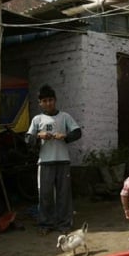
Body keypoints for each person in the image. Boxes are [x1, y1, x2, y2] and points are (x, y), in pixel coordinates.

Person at [25, 84, 82, 235]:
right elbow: (27, 139)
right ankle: (45, 224)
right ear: (40, 103)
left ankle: (64, 224)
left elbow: (77, 132)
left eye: (50, 100)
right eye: (44, 101)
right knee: (45, 194)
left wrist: (66, 136)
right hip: (45, 162)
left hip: (63, 161)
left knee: (64, 194)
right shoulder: (37, 119)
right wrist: (38, 136)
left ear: (55, 100)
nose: (48, 103)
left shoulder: (64, 117)